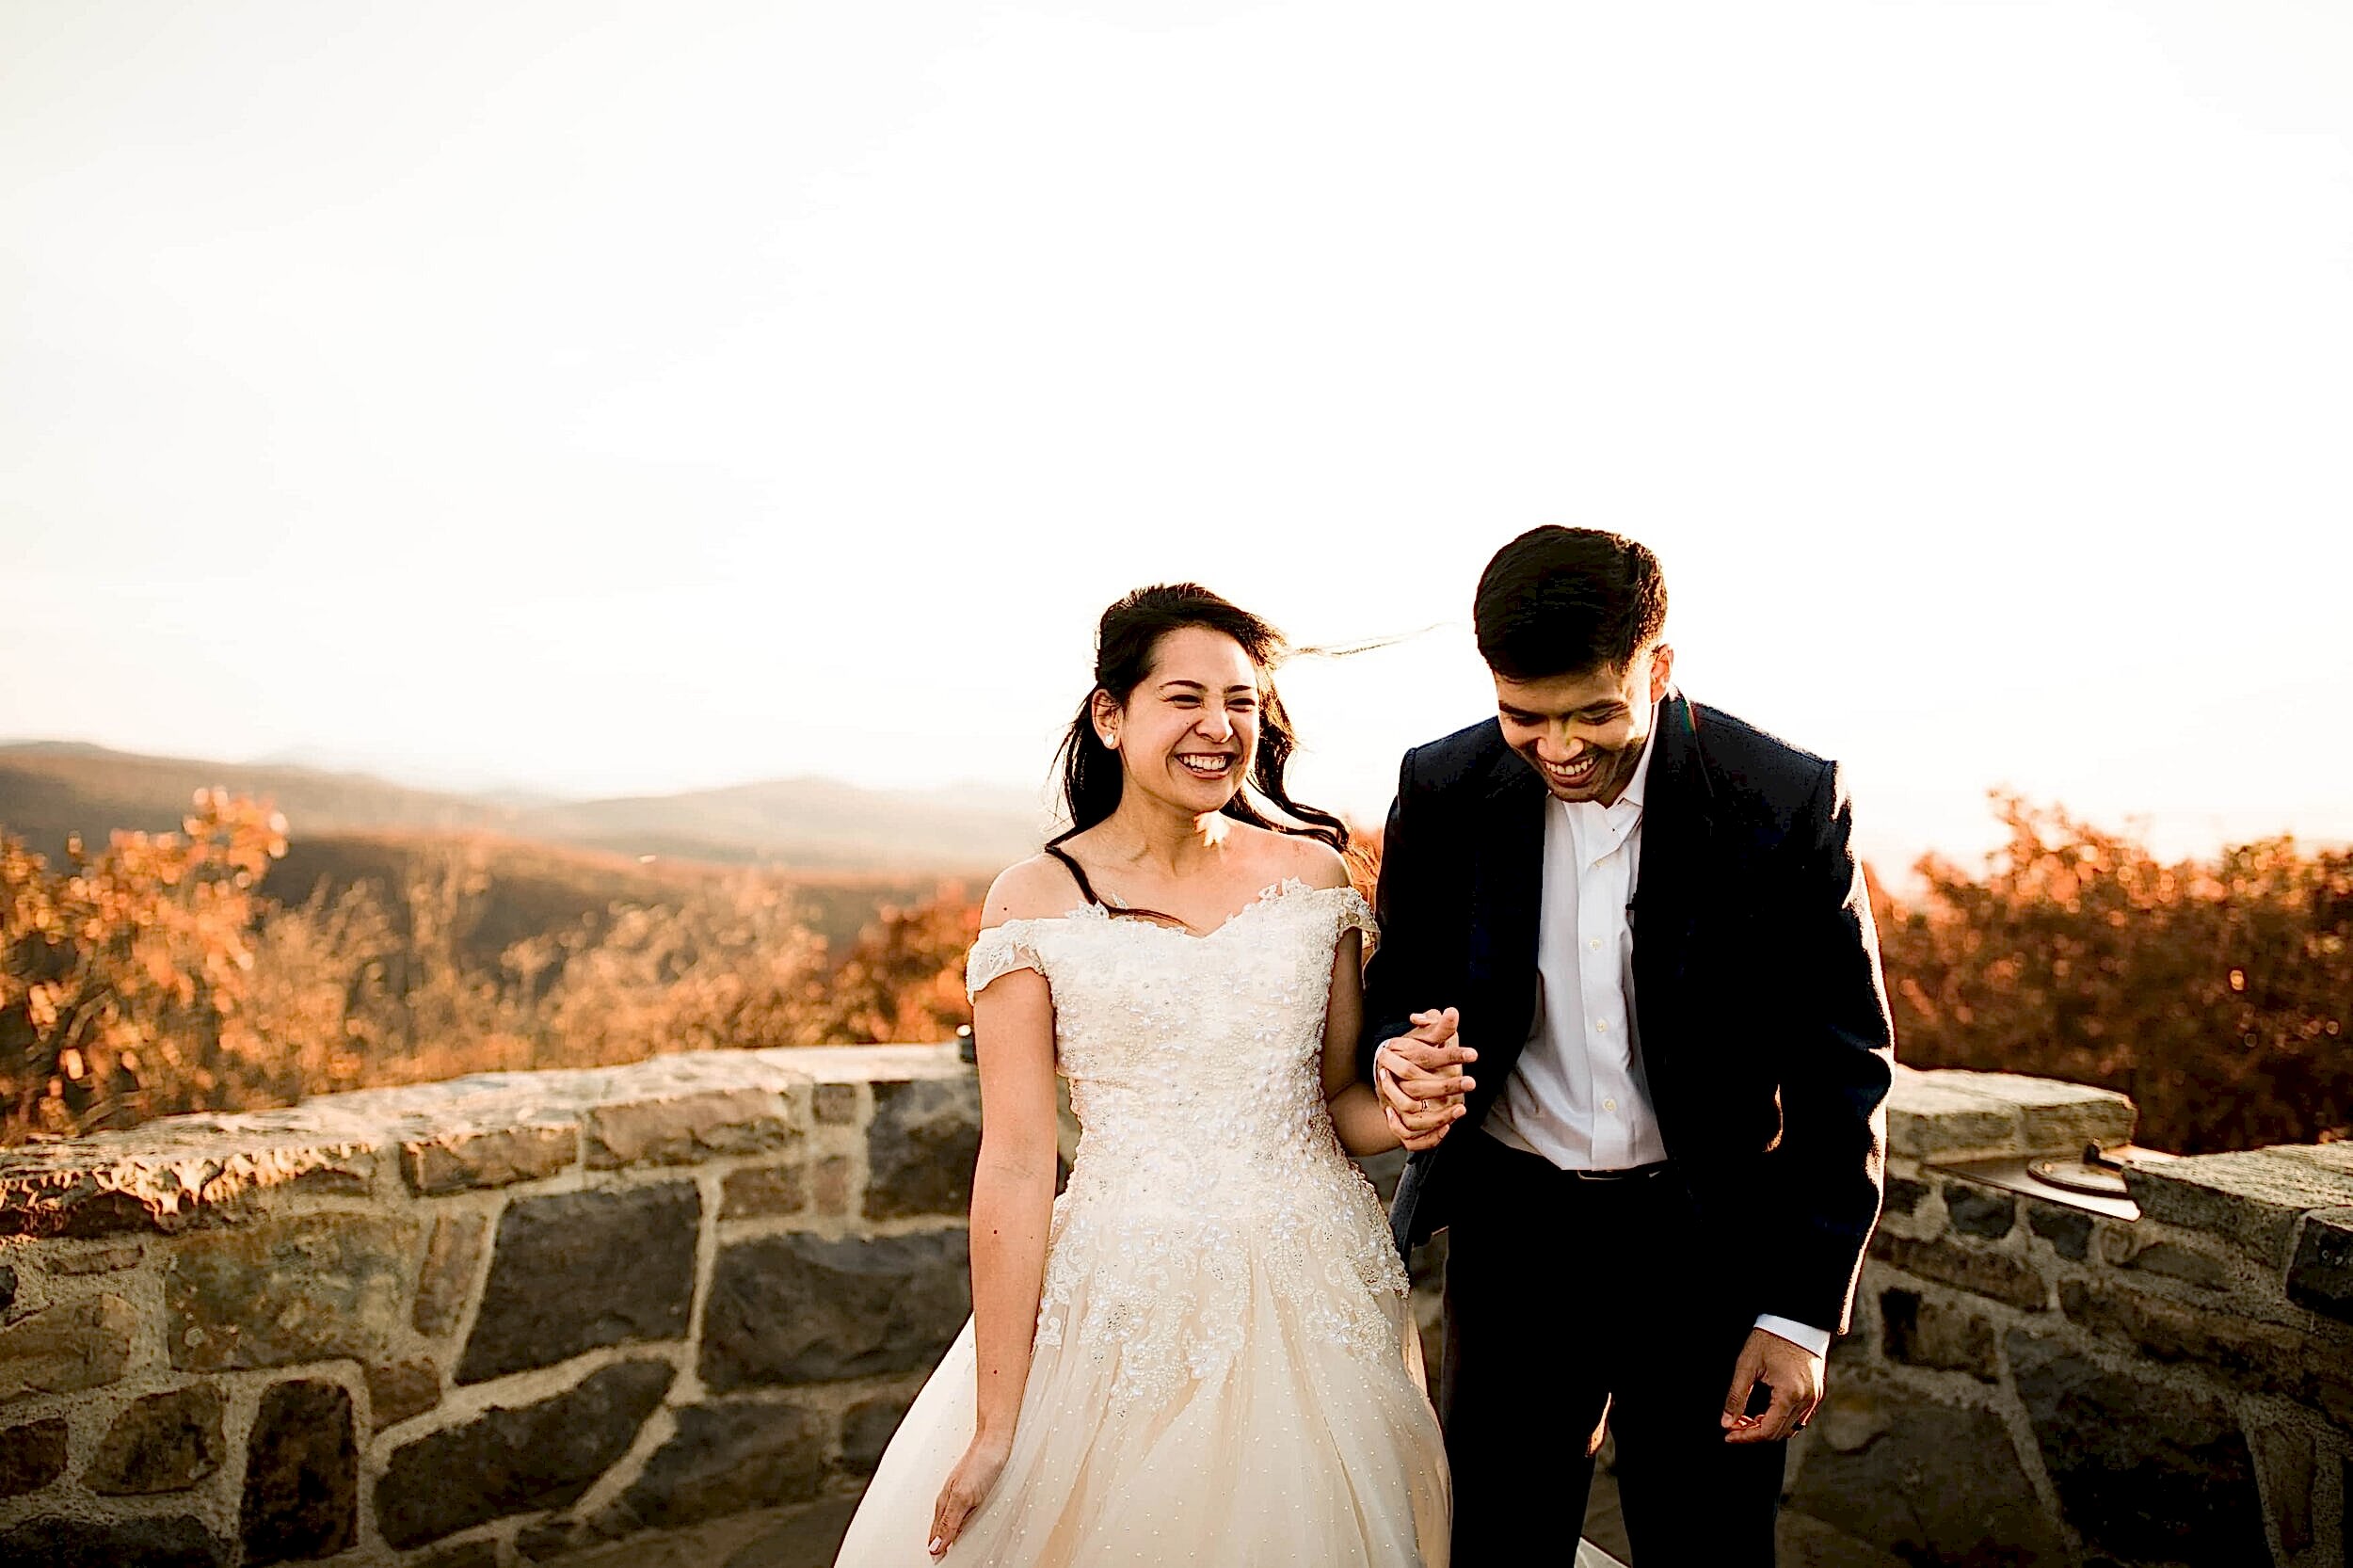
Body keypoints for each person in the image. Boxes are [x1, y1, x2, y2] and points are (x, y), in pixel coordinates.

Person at [834, 584, 1453, 1568]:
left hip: (1314, 1291)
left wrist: (1414, 1109)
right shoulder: (1033, 900)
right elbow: (1017, 1160)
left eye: (1242, 701)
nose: (1219, 726)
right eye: (1185, 697)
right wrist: (998, 1422)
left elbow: (1340, 1108)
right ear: (1110, 715)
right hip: (1124, 1300)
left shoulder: (1315, 880)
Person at [1367, 526, 1895, 1566]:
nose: (1558, 744)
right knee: (1495, 1542)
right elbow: (1397, 986)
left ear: (1657, 666)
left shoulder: (1782, 799)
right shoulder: (1442, 787)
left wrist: (1799, 1314)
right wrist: (1397, 1052)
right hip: (1514, 1237)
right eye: (1525, 716)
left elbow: (1846, 1071)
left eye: (1593, 712)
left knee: (1707, 1545)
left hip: (1707, 1246)